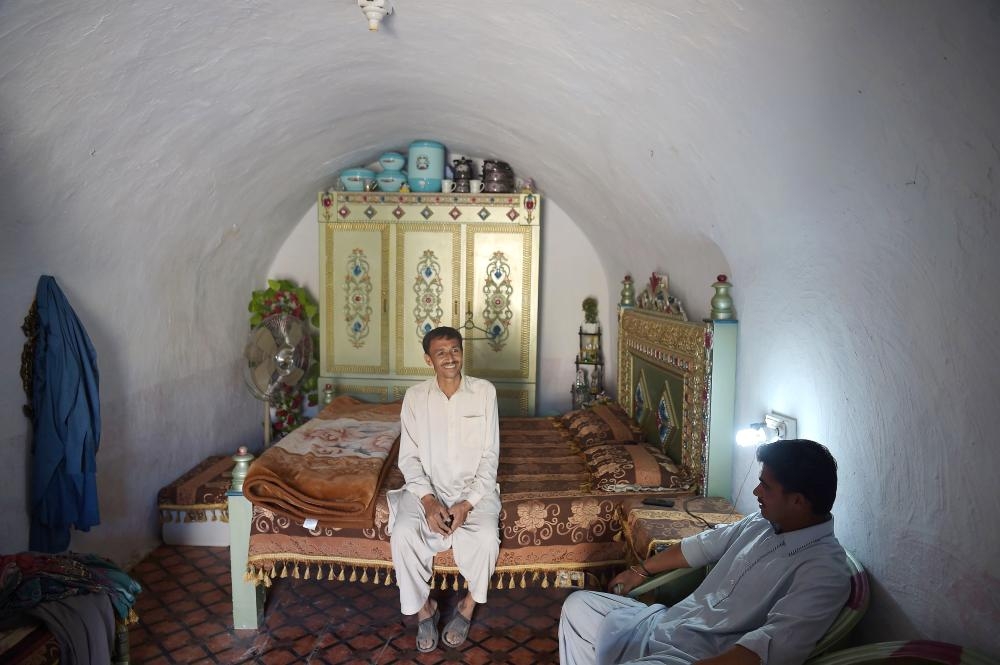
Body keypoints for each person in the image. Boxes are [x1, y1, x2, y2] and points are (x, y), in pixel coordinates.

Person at [559, 439, 850, 665]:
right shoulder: (760, 523)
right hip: (668, 624)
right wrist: (639, 571)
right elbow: (699, 547)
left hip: (695, 656)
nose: (755, 492)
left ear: (798, 501)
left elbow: (767, 648)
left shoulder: (824, 572)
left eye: (766, 486)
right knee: (579, 607)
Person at [388, 326, 501, 653]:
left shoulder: (484, 392)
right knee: (403, 533)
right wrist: (427, 500)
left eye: (455, 350)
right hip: (428, 490)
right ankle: (425, 610)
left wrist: (467, 504)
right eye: (441, 353)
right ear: (428, 359)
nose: (450, 358)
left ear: (462, 352)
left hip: (474, 493)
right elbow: (408, 458)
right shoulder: (415, 397)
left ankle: (467, 607)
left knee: (485, 539)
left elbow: (490, 455)